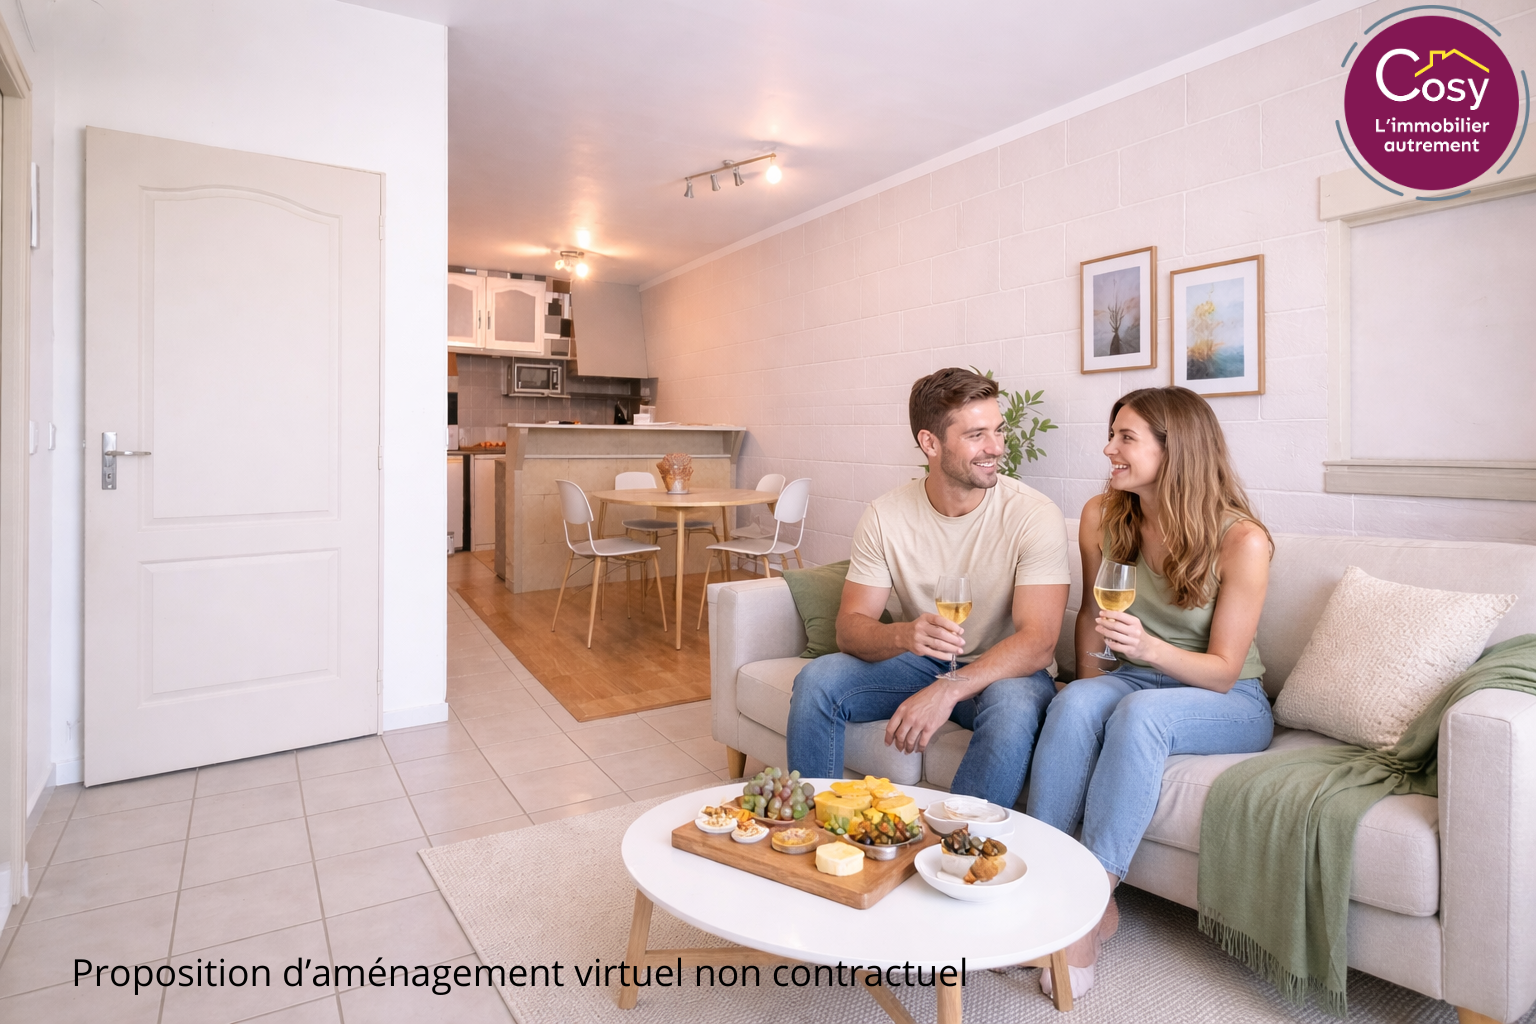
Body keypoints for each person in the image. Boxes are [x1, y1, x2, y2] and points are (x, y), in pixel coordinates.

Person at [1026, 386, 1274, 997]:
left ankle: (1088, 909)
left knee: (1140, 714)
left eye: (1125, 437)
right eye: (1111, 434)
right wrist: (1089, 693)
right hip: (1136, 676)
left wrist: (1149, 648)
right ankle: (1039, 886)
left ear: (1174, 448)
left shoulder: (1243, 541)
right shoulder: (1103, 516)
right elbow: (1092, 616)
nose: (1108, 449)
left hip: (1227, 698)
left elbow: (1224, 670)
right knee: (1073, 702)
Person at [785, 368, 1070, 808]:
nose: (996, 447)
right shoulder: (885, 516)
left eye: (998, 430)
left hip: (1007, 673)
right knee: (817, 681)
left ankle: (955, 844)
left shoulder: (1033, 515)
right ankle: (812, 828)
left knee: (1013, 711)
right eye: (976, 435)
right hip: (921, 664)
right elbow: (850, 629)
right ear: (930, 443)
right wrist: (904, 635)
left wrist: (948, 689)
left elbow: (1038, 642)